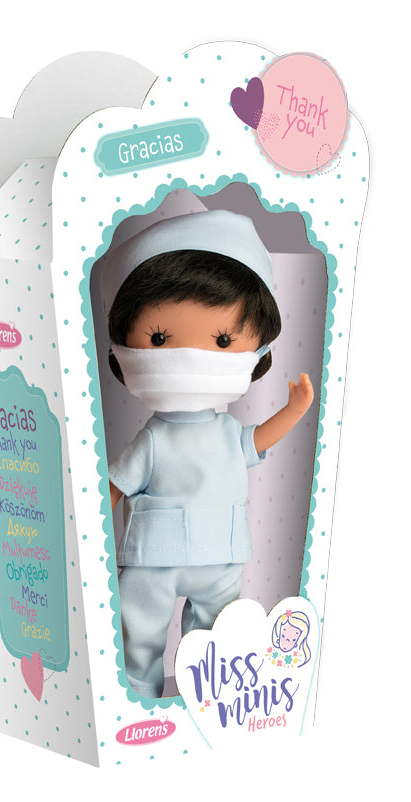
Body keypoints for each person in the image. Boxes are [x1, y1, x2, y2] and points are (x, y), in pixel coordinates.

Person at [102, 210, 314, 698]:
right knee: (139, 632)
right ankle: (137, 697)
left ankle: (208, 700)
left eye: (222, 341)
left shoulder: (227, 432)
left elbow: (258, 439)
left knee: (218, 637)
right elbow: (116, 485)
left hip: (221, 555)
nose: (192, 356)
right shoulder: (153, 439)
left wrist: (294, 410)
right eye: (159, 339)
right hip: (155, 558)